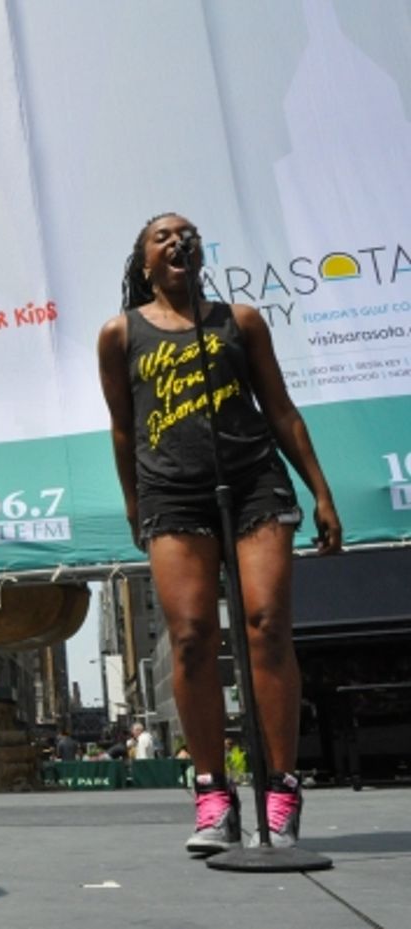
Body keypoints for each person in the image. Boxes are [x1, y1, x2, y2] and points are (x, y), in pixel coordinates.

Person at [97, 212, 342, 854]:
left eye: (187, 233)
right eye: (162, 236)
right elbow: (123, 428)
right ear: (145, 261)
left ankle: (282, 789)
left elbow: (280, 409)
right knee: (191, 637)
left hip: (254, 479)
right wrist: (133, 501)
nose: (178, 240)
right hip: (172, 491)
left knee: (266, 625)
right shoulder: (120, 335)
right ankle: (212, 793)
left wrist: (321, 491)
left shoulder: (240, 321)